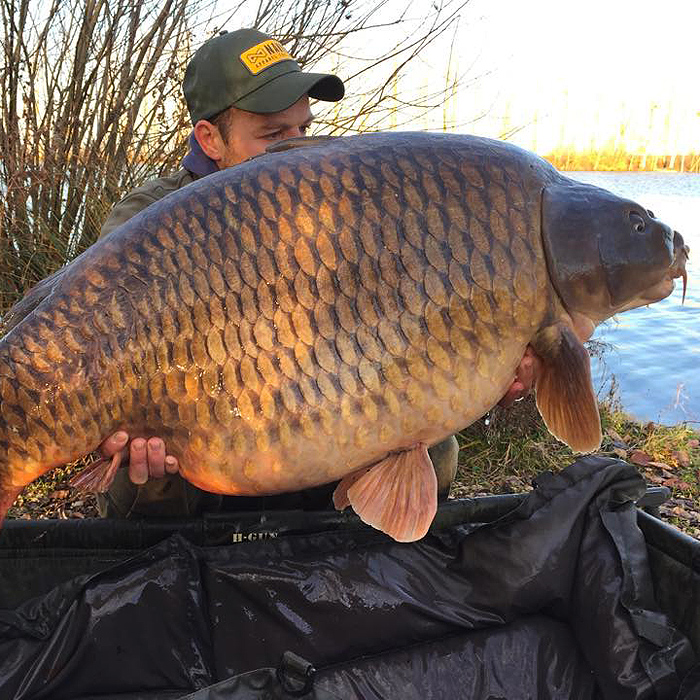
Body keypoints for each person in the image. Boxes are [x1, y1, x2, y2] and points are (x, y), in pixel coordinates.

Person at [96, 28, 539, 518]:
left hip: (316, 431)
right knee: (146, 472)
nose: (301, 149)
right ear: (210, 139)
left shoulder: (344, 203)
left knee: (426, 434)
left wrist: (486, 366)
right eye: (272, 135)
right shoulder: (144, 221)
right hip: (198, 467)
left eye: (303, 129)